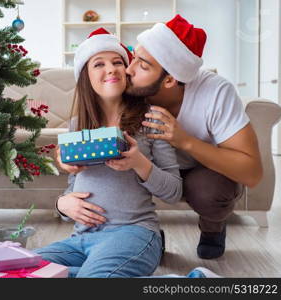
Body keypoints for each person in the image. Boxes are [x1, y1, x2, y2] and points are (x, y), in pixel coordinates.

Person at [34, 28, 182, 278]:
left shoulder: (151, 119)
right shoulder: (76, 125)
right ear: (86, 77)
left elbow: (174, 192)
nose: (111, 69)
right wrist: (62, 204)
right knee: (18, 271)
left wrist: (139, 163)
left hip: (133, 232)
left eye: (117, 62)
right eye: (98, 64)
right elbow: (75, 185)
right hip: (79, 240)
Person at [125, 15, 263, 259]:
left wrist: (184, 140)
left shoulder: (216, 92)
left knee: (211, 192)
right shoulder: (128, 86)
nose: (129, 69)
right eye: (133, 56)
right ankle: (145, 234)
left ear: (169, 80)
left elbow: (252, 173)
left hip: (199, 171)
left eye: (143, 66)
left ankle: (212, 228)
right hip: (148, 165)